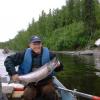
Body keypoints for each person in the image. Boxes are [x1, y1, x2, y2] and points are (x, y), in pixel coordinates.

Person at [4, 35, 63, 100]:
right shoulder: (23, 54)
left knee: (49, 92)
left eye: (38, 44)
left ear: (41, 44)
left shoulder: (50, 54)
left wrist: (59, 65)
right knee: (27, 94)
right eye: (34, 44)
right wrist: (13, 73)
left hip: (46, 83)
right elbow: (8, 60)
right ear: (30, 45)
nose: (37, 46)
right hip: (31, 84)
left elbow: (59, 68)